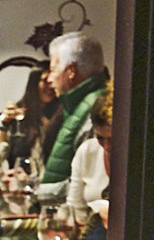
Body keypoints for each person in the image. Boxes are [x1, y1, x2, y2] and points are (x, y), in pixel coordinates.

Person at [38, 32, 110, 201]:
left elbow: (87, 182)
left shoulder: (96, 109)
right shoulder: (75, 104)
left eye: (53, 70)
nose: (50, 78)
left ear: (70, 71)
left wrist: (36, 193)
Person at [69, 84, 113, 240]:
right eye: (100, 138)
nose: (107, 146)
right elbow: (74, 207)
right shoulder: (87, 151)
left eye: (113, 138)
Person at [0, 60, 59, 173]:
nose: (50, 86)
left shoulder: (62, 112)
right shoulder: (17, 113)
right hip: (20, 183)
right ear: (34, 83)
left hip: (51, 183)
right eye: (45, 81)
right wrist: (4, 125)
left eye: (52, 81)